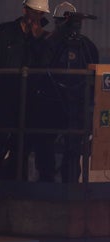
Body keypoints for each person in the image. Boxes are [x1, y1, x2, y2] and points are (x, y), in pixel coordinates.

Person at [0, 0, 53, 180]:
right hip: (4, 99)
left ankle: (18, 185)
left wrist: (38, 41)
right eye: (34, 12)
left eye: (40, 14)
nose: (36, 17)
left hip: (30, 103)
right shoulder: (4, 33)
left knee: (23, 148)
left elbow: (46, 68)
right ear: (25, 10)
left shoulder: (44, 40)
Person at [43, 2, 99, 182]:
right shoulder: (51, 43)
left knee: (73, 147)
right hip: (53, 102)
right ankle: (47, 180)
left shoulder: (86, 47)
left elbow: (95, 78)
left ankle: (71, 181)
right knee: (46, 143)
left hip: (76, 104)